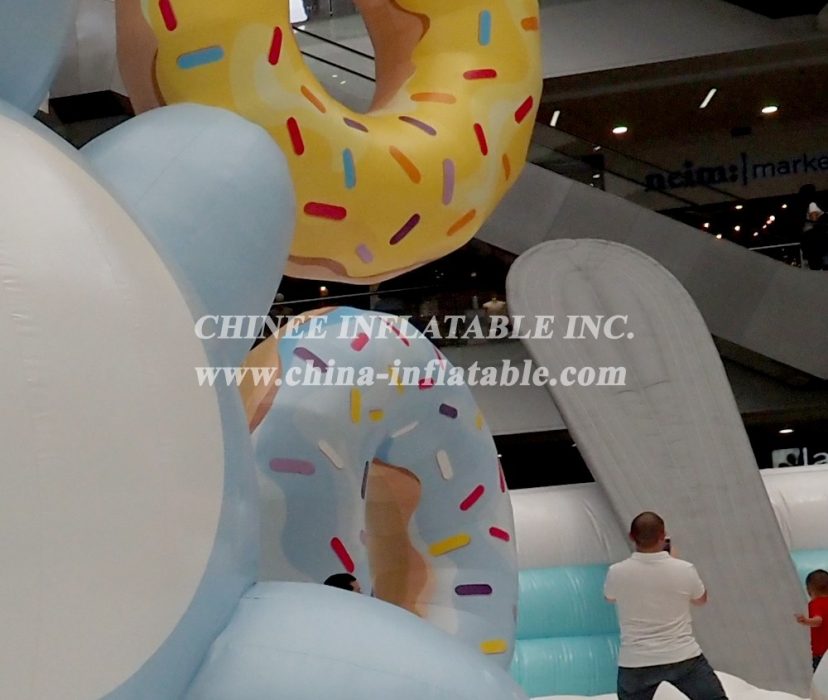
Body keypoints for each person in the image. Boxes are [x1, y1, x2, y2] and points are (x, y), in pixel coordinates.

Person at [604, 512, 727, 700]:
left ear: (631, 537)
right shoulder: (684, 569)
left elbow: (609, 597)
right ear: (663, 536)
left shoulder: (616, 572)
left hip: (636, 660)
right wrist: (674, 562)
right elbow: (700, 600)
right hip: (683, 656)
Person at [795, 569, 828, 671]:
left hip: (822, 654)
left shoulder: (815, 604)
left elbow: (818, 620)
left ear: (809, 591)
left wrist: (806, 621)